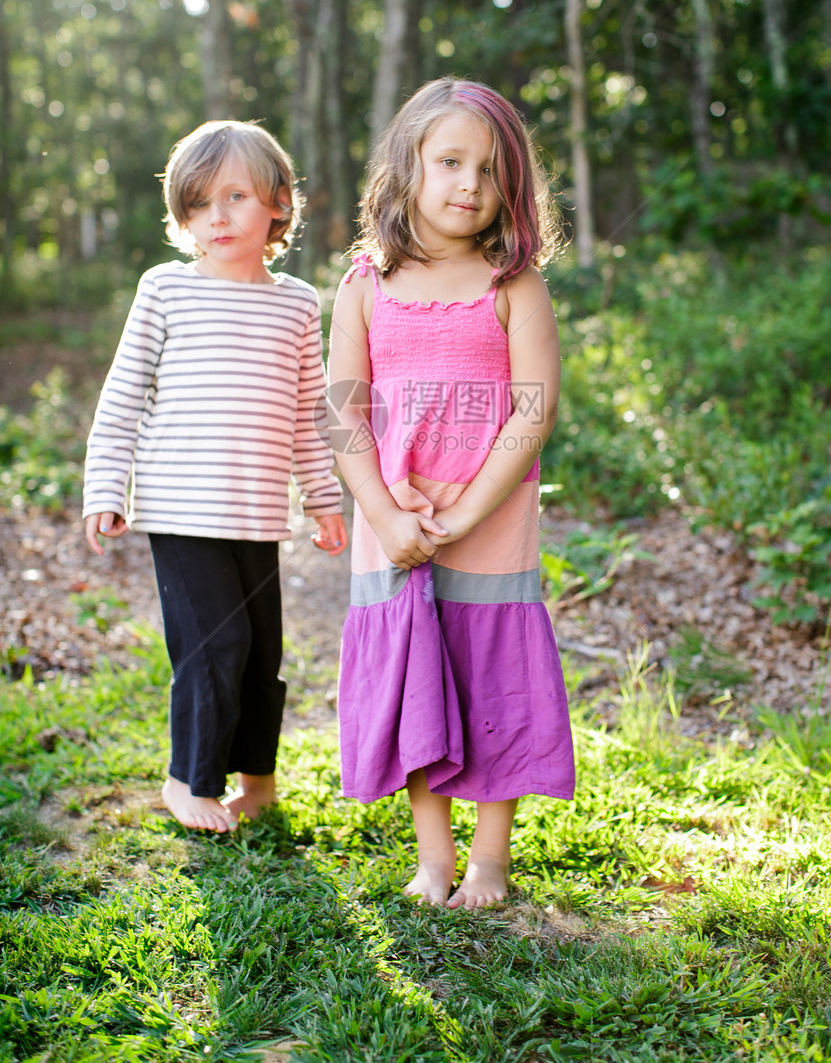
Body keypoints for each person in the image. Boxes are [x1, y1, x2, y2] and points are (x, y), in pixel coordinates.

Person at [328, 77, 575, 909]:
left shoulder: (515, 286)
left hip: (489, 520)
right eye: (450, 162)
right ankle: (433, 858)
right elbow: (345, 415)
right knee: (413, 680)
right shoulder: (366, 285)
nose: (470, 182)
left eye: (490, 168)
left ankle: (488, 862)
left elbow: (531, 413)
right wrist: (384, 513)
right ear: (409, 169)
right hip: (393, 523)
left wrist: (469, 510)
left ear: (513, 186)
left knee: (490, 674)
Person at [83, 120, 348, 834]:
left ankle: (257, 780)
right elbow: (124, 392)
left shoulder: (295, 304)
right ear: (182, 218)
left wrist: (323, 499)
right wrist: (107, 486)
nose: (217, 216)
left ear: (279, 203)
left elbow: (306, 416)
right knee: (214, 648)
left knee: (263, 655)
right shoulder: (165, 289)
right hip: (180, 511)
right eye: (198, 204)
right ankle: (189, 780)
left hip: (257, 516)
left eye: (235, 196)